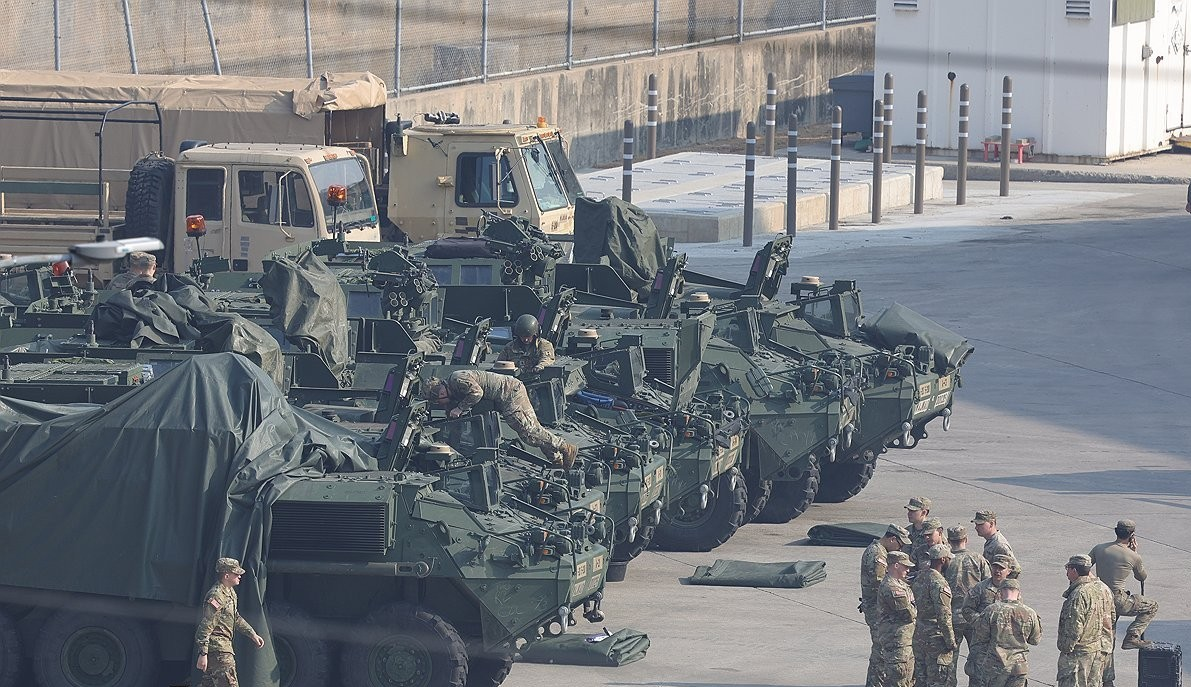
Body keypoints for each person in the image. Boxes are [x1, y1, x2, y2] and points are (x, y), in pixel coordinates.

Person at [423, 369, 578, 467]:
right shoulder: (452, 392)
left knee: (528, 432)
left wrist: (460, 408)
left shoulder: (457, 379)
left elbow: (477, 393)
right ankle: (556, 460)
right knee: (534, 430)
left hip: (509, 393)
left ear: (441, 392)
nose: (440, 404)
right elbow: (454, 421)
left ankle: (565, 447)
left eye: (437, 401)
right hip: (508, 392)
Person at [194, 558, 264, 687]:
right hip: (219, 652)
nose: (239, 576)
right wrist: (203, 653)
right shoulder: (217, 595)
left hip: (221, 650)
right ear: (226, 576)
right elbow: (206, 624)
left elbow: (235, 617)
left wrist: (252, 634)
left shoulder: (230, 593)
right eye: (236, 573)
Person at [1089, 519, 1158, 650]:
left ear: (1116, 531)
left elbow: (1085, 566)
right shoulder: (1133, 556)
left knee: (1107, 637)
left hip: (1100, 597)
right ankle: (1132, 637)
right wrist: (1134, 553)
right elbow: (1141, 577)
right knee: (1152, 606)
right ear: (1132, 535)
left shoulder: (1099, 548)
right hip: (1118, 600)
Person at [860, 524, 913, 687]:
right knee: (881, 651)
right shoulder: (878, 555)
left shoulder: (878, 550)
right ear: (892, 539)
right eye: (900, 544)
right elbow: (880, 584)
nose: (900, 548)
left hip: (877, 607)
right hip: (877, 609)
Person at [1057, 554, 1115, 687]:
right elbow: (1111, 617)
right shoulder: (1103, 588)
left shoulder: (1079, 594)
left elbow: (1074, 627)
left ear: (1074, 570)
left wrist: (1066, 649)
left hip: (1078, 655)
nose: (1067, 573)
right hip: (1097, 651)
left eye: (1068, 569)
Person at [960, 553, 1016, 687]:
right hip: (982, 646)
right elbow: (966, 609)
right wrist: (981, 623)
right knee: (977, 679)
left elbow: (1017, 613)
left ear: (1008, 571)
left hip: (1003, 648)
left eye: (1001, 568)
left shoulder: (1013, 591)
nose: (997, 571)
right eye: (995, 567)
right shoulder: (980, 588)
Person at [945, 525, 991, 687]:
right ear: (966, 539)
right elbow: (988, 587)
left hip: (951, 618)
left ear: (949, 541)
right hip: (974, 618)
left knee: (949, 661)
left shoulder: (946, 560)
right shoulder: (978, 559)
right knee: (978, 659)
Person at [973, 578, 1041, 687]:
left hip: (995, 665)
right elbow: (1035, 640)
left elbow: (981, 637)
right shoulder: (1030, 613)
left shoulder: (991, 610)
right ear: (1019, 593)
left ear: (1000, 592)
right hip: (1019, 667)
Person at [913, 543, 957, 687]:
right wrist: (951, 641)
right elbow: (944, 616)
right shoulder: (939, 583)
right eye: (949, 559)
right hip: (936, 639)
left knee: (921, 678)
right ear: (943, 560)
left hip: (919, 635)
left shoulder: (920, 577)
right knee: (939, 680)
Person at [878, 550, 918, 687]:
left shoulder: (900, 584)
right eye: (905, 566)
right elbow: (909, 614)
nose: (908, 570)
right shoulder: (893, 588)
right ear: (896, 565)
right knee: (899, 679)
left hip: (905, 642)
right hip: (897, 643)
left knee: (908, 679)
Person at [973, 510, 1021, 577]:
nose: (976, 527)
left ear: (991, 524)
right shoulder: (990, 541)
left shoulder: (1000, 545)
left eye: (980, 524)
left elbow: (1015, 569)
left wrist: (1001, 582)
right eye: (976, 524)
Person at [905, 496, 934, 574]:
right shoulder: (906, 532)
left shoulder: (933, 534)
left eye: (913, 511)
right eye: (909, 510)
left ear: (924, 512)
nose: (909, 514)